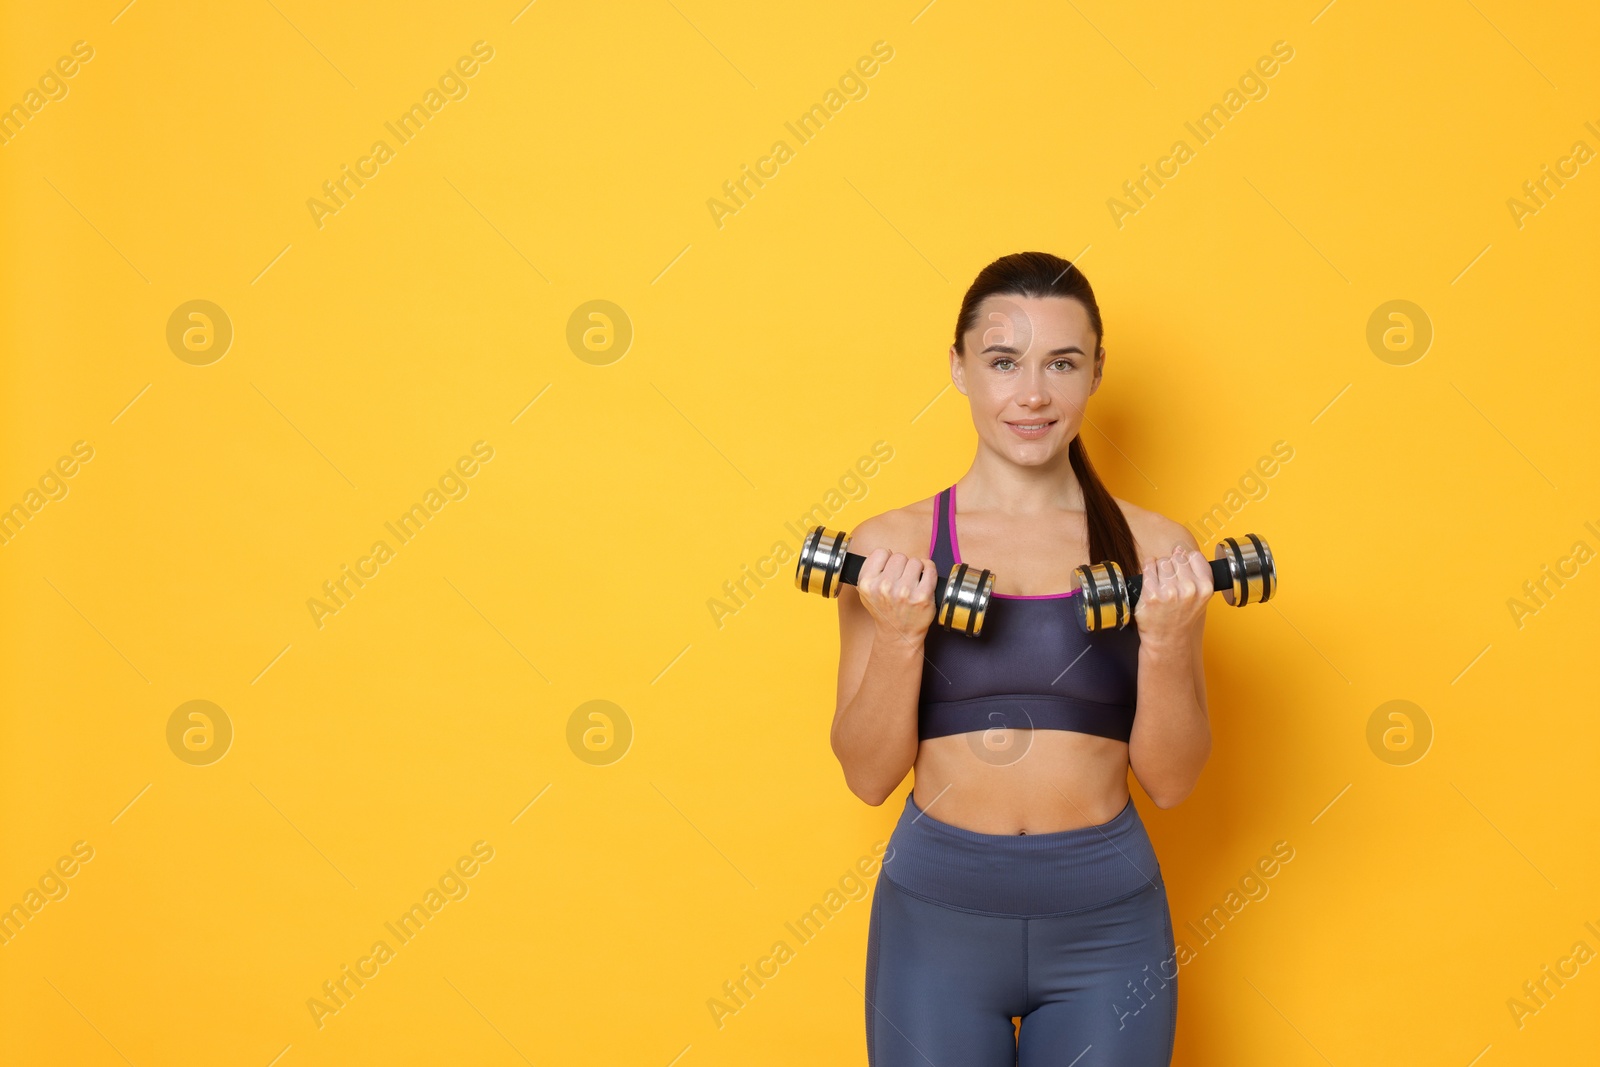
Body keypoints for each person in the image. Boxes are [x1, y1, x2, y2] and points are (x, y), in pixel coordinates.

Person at [830, 251, 1213, 1066]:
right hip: (934, 927)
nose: (1032, 394)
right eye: (1003, 361)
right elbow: (867, 776)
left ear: (1096, 371)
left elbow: (1173, 781)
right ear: (959, 368)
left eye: (1061, 363)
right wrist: (902, 633)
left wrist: (1171, 639)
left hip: (1109, 930)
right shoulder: (892, 549)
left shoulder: (1156, 549)